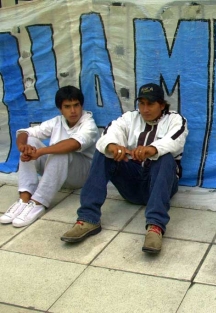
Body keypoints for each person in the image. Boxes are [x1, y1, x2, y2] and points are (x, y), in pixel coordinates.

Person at [60, 83, 188, 254]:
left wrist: (151, 149)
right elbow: (109, 134)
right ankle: (88, 218)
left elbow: (175, 141)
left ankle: (155, 226)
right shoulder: (129, 118)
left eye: (150, 104)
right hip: (132, 185)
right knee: (103, 151)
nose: (145, 109)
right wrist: (113, 147)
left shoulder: (175, 119)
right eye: (141, 103)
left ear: (162, 105)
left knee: (165, 157)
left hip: (161, 185)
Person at [0, 86, 99, 227]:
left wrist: (40, 152)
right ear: (60, 109)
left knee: (62, 151)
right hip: (56, 173)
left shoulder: (89, 124)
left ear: (81, 106)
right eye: (67, 106)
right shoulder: (57, 121)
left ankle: (38, 202)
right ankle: (24, 198)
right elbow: (24, 132)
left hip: (81, 175)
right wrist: (24, 147)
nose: (73, 111)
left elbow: (74, 144)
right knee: (31, 142)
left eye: (76, 105)